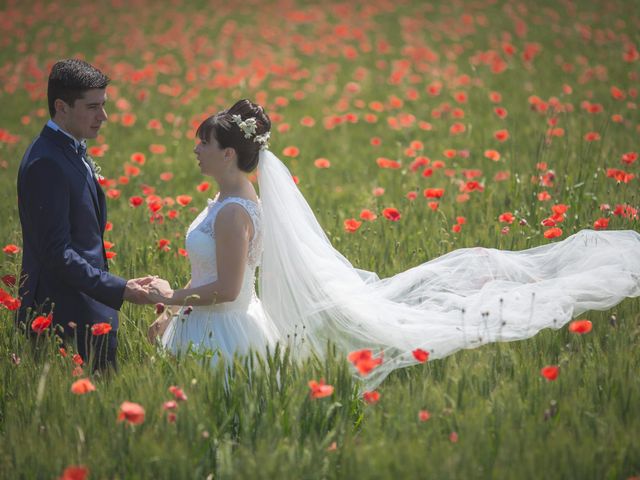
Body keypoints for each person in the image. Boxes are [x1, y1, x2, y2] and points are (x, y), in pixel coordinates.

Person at [146, 99, 640, 389]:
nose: (195, 150)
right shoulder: (229, 201)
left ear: (228, 153)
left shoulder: (234, 213)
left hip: (226, 334)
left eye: (203, 143)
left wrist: (168, 297)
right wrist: (174, 307)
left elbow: (229, 290)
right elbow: (213, 281)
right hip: (206, 325)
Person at [17, 58, 152, 371]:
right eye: (93, 107)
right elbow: (56, 253)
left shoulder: (70, 148)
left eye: (103, 105)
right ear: (62, 107)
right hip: (65, 318)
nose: (103, 116)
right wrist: (121, 289)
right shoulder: (46, 162)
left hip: (88, 311)